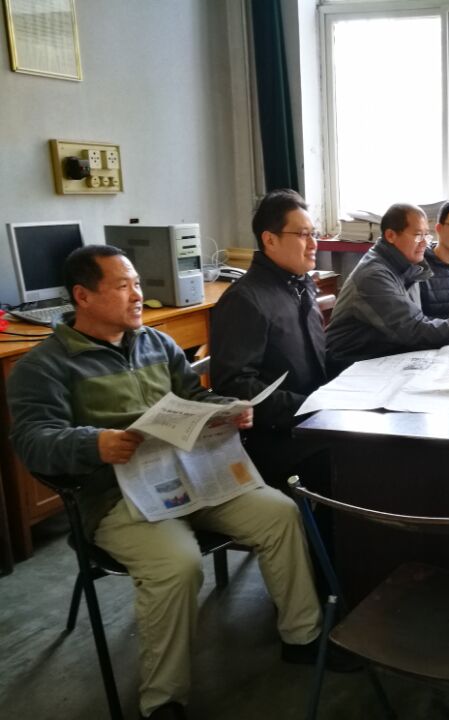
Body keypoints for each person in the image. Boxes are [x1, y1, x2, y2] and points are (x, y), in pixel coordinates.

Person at [7, 245, 327, 720]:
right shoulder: (44, 366)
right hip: (116, 496)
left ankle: (303, 638)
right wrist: (95, 443)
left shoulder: (156, 343)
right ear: (82, 296)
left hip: (189, 476)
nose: (138, 295)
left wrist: (225, 410)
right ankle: (163, 701)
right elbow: (33, 441)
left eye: (137, 283)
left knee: (280, 513)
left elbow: (192, 396)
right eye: (122, 286)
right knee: (178, 565)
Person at [209, 189, 329, 489]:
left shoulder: (300, 284)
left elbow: (317, 359)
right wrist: (312, 405)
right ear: (270, 240)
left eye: (313, 234)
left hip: (314, 418)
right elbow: (234, 386)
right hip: (278, 439)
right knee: (364, 458)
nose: (313, 243)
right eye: (303, 234)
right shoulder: (245, 300)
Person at [326, 203, 449, 371]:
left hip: (385, 359)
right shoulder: (374, 275)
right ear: (391, 236)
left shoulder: (406, 266)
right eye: (418, 235)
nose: (425, 242)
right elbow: (414, 330)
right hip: (351, 368)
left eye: (426, 235)